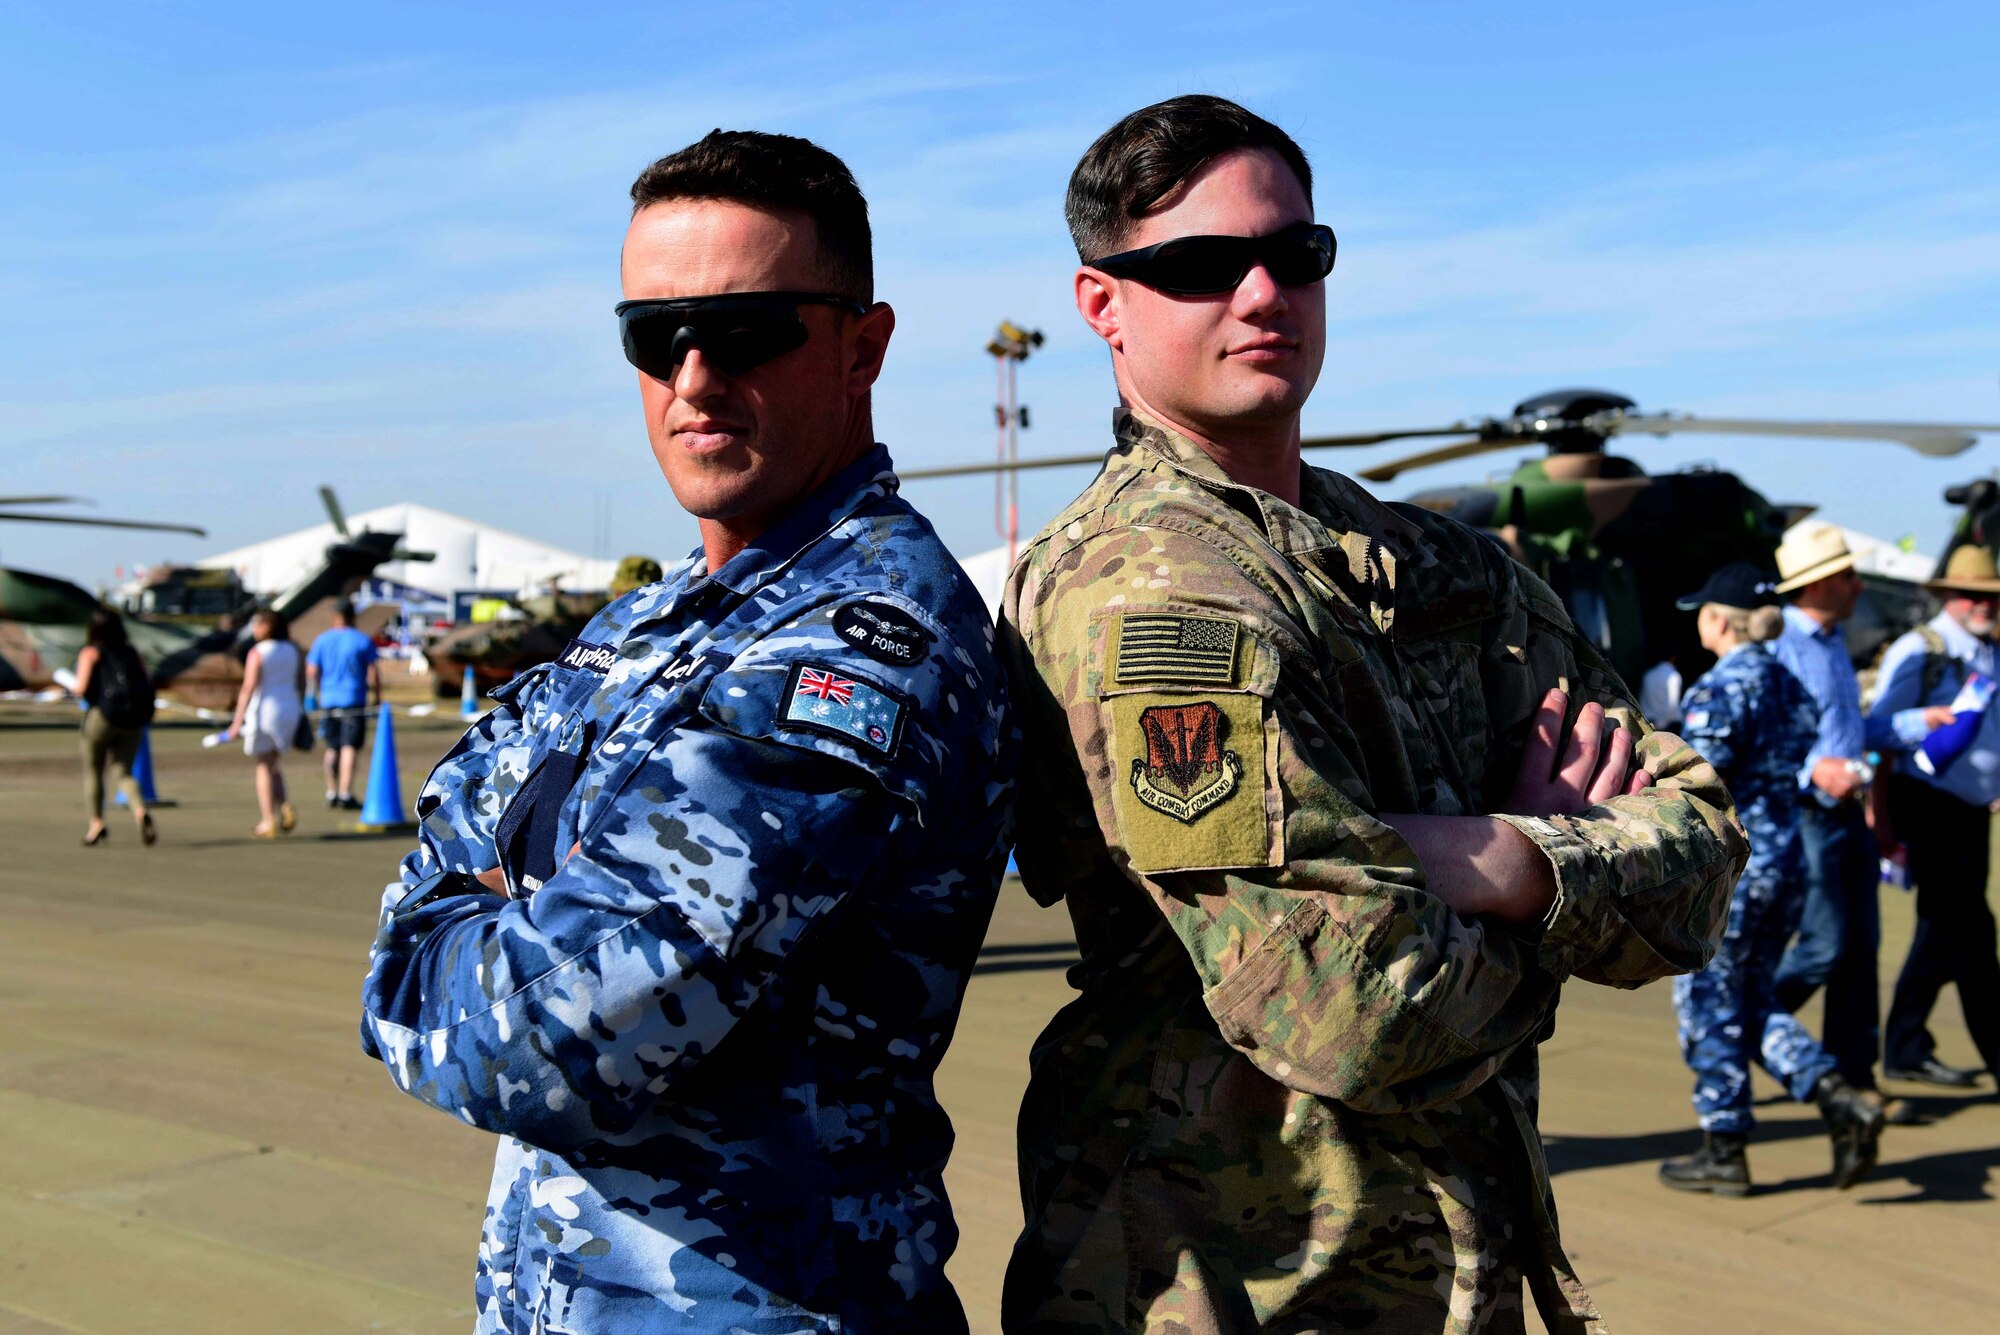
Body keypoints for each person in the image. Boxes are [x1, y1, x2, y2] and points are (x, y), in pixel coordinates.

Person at [999, 94, 1745, 1334]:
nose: (1259, 294)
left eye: (1294, 255)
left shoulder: (1437, 568)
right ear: (1101, 306)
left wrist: (1505, 860)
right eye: (1198, 266)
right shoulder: (1149, 594)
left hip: (1459, 1271)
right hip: (1240, 1286)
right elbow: (1351, 1006)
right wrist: (1565, 899)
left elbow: (1704, 852)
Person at [358, 130, 1014, 1333]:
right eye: (654, 337)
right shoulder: (657, 616)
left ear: (861, 348)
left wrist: (452, 927)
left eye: (749, 329)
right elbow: (445, 829)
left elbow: (541, 1043)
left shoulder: (860, 641)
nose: (695, 376)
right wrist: (487, 902)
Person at [1658, 563, 1885, 1194]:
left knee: (1708, 1001)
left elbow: (1696, 785)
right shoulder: (1787, 681)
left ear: (1716, 620)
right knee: (1751, 1001)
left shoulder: (1723, 687)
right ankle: (1840, 1096)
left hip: (1733, 868)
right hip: (1786, 862)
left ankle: (1724, 1146)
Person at [1864, 542, 2000, 1090]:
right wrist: (1927, 718)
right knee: (1972, 930)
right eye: (1971, 594)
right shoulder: (1921, 651)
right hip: (1928, 804)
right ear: (1949, 596)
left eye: (1990, 596)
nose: (1983, 605)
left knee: (1941, 929)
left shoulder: (1988, 650)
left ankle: (1905, 1045)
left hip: (1970, 809)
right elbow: (1875, 730)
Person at [1770, 521, 1884, 1097]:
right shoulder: (1780, 643)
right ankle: (1750, 1023)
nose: (1859, 586)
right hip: (1807, 813)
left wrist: (1918, 722)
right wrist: (1813, 770)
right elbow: (1762, 739)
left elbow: (1851, 728)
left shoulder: (1833, 641)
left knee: (1861, 949)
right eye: (1848, 576)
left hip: (1845, 814)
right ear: (1816, 585)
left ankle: (1856, 1076)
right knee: (1823, 946)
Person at [72, 607, 156, 847]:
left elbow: (80, 687)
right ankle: (140, 811)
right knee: (123, 772)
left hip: (102, 717)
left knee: (93, 771)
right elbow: (147, 683)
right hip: (132, 720)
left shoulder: (91, 652)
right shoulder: (131, 652)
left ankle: (96, 823)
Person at [225, 607, 302, 838]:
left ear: (266, 626)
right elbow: (300, 682)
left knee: (263, 765)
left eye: (257, 624)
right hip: (289, 708)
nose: (254, 629)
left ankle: (268, 819)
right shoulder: (292, 649)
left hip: (265, 710)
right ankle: (284, 805)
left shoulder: (258, 651)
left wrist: (236, 721)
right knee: (273, 762)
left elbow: (249, 687)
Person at [305, 598, 380, 809]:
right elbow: (373, 673)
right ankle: (345, 792)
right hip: (354, 700)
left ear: (335, 617)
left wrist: (318, 692)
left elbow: (311, 671)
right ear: (353, 616)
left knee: (332, 747)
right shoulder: (362, 640)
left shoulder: (322, 640)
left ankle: (331, 791)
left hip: (329, 700)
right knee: (349, 747)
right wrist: (377, 697)